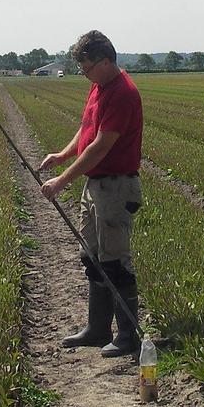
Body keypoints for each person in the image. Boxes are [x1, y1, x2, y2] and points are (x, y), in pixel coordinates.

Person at [39, 30, 143, 357]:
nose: (85, 76)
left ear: (106, 60)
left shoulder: (123, 92)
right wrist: (63, 154)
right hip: (95, 185)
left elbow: (100, 147)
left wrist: (60, 181)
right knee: (93, 258)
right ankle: (98, 329)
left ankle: (128, 335)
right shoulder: (99, 87)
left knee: (115, 262)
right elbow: (86, 130)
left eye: (87, 69)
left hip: (115, 186)